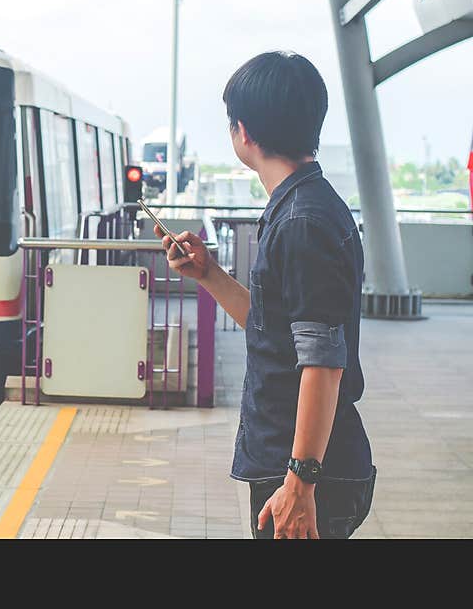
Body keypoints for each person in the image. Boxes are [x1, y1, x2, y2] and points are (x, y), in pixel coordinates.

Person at [156, 51, 376, 539]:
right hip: (302, 466)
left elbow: (323, 361)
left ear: (245, 133)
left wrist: (300, 481)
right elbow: (279, 328)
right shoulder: (303, 206)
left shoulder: (302, 222)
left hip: (306, 473)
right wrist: (209, 274)